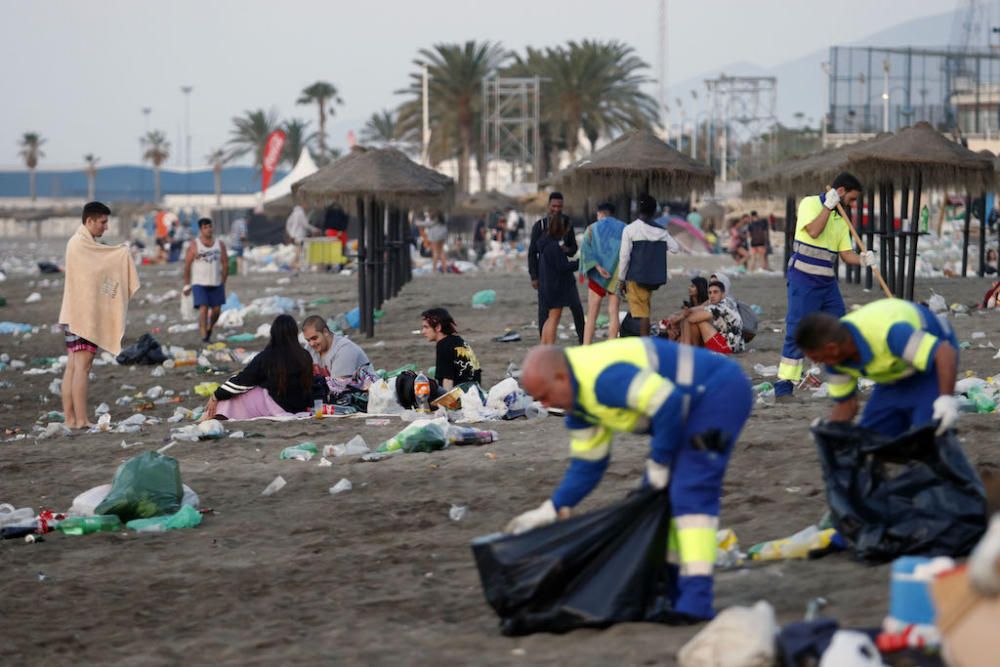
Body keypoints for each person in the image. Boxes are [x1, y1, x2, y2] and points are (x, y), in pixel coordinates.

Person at [506, 338, 753, 622]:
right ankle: (672, 592)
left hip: (717, 393)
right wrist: (552, 508)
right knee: (660, 499)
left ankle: (695, 603)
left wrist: (659, 462)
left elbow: (668, 402)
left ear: (561, 377)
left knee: (691, 492)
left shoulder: (602, 378)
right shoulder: (579, 410)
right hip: (687, 408)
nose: (546, 405)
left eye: (545, 396)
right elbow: (588, 465)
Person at [774, 172, 876, 399]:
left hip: (827, 284)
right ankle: (784, 383)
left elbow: (846, 254)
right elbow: (813, 231)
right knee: (796, 330)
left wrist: (863, 259)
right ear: (840, 192)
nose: (853, 204)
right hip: (803, 279)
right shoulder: (809, 203)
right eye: (851, 199)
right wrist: (828, 208)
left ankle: (845, 377)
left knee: (840, 328)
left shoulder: (842, 221)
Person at [795, 298, 959, 437]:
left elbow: (944, 353)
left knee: (929, 432)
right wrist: (831, 432)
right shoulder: (835, 361)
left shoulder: (889, 333)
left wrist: (946, 399)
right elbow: (846, 404)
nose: (818, 363)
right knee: (872, 437)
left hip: (935, 357)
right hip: (894, 374)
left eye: (817, 358)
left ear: (832, 348)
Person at [58, 201, 140, 429]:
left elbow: (96, 272)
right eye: (103, 222)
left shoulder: (78, 242)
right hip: (82, 316)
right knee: (82, 367)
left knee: (73, 367)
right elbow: (102, 263)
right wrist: (121, 253)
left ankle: (70, 419)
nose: (105, 227)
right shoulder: (81, 244)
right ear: (90, 221)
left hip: (72, 314)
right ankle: (81, 420)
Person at [202, 314, 317, 420]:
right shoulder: (305, 355)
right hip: (301, 406)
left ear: (273, 333)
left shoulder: (268, 356)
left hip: (277, 405)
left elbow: (243, 381)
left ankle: (215, 415)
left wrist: (216, 395)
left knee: (238, 394)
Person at [618, 193, 679, 337]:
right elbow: (675, 248)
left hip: (635, 276)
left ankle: (644, 341)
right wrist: (656, 247)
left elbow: (624, 256)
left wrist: (621, 278)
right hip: (652, 278)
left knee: (641, 313)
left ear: (638, 210)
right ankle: (643, 340)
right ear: (654, 211)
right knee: (644, 308)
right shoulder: (661, 230)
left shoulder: (630, 229)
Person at [529, 192, 584, 343]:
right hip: (548, 272)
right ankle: (545, 344)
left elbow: (573, 248)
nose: (556, 209)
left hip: (563, 275)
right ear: (548, 206)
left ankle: (582, 339)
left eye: (559, 206)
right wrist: (534, 276)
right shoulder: (539, 226)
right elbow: (532, 253)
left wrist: (567, 250)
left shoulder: (567, 223)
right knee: (547, 313)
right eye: (554, 206)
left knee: (576, 307)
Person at [580, 202, 627, 344]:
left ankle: (586, 346)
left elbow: (584, 250)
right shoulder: (624, 228)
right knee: (614, 312)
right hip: (617, 276)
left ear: (600, 213)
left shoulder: (591, 228)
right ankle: (611, 347)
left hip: (597, 275)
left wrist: (598, 267)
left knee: (592, 314)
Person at [537, 214, 582, 344]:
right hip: (556, 287)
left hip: (547, 285)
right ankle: (549, 347)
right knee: (554, 318)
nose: (568, 231)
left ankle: (543, 346)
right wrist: (580, 262)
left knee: (549, 318)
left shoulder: (545, 243)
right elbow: (562, 267)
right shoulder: (554, 247)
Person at [183, 218, 228, 343]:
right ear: (201, 229)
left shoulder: (220, 244)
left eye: (210, 226)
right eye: (205, 227)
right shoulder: (195, 244)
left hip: (216, 282)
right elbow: (187, 265)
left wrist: (223, 281)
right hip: (199, 283)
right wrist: (186, 285)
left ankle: (210, 328)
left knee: (217, 311)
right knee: (203, 308)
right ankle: (204, 336)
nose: (208, 229)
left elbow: (225, 263)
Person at [669, 281, 744, 354]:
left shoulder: (720, 306)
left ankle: (688, 348)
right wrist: (677, 317)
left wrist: (678, 319)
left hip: (728, 347)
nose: (712, 295)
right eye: (710, 293)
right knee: (692, 319)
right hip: (736, 345)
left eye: (715, 292)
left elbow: (692, 318)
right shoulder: (728, 301)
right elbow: (698, 308)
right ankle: (688, 347)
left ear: (723, 294)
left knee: (696, 321)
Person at [420, 308, 481, 390]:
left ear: (438, 327)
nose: (423, 331)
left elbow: (448, 380)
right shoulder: (457, 340)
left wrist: (444, 401)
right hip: (474, 390)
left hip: (460, 394)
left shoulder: (443, 345)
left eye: (426, 327)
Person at [300, 315, 373, 380]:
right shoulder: (309, 348)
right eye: (308, 340)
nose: (311, 343)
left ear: (325, 332)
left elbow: (339, 387)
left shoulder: (344, 350)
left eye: (314, 338)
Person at [286, 203, 318, 272]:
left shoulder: (294, 213)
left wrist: (291, 233)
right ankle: (293, 264)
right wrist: (314, 229)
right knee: (299, 250)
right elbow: (305, 224)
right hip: (299, 236)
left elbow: (288, 223)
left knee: (299, 250)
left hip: (295, 235)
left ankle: (296, 266)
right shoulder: (300, 213)